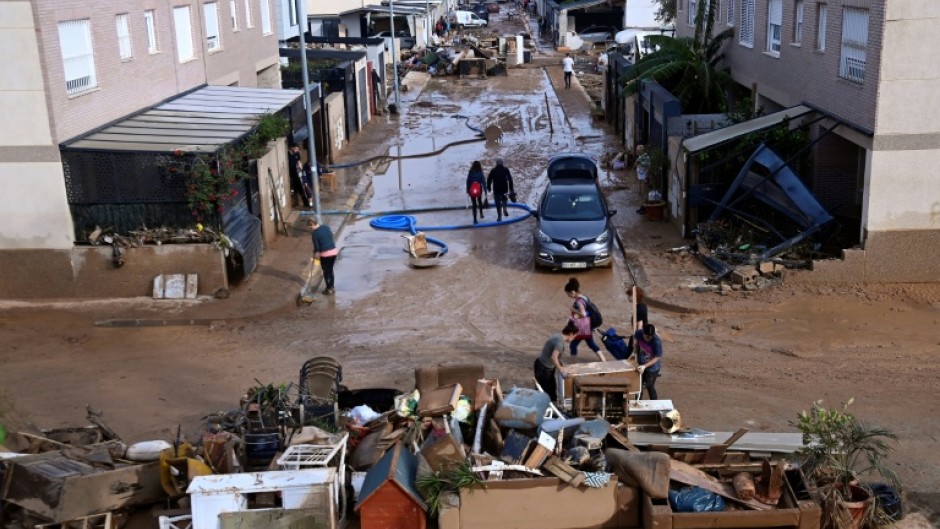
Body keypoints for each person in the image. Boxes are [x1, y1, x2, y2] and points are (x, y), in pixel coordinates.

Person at [535, 322, 578, 403]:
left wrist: (560, 364)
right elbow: (554, 357)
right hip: (543, 370)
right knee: (548, 395)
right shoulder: (559, 343)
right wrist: (560, 368)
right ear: (571, 334)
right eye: (575, 336)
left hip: (541, 365)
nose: (574, 339)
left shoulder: (557, 336)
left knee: (550, 392)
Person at [564, 277, 603, 359]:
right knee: (591, 344)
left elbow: (583, 314)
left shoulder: (579, 302)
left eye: (568, 294)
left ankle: (573, 364)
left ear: (572, 292)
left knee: (573, 345)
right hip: (588, 325)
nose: (568, 296)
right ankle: (603, 360)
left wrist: (573, 310)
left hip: (583, 326)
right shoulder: (584, 297)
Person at [308, 218, 338, 295]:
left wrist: (315, 251)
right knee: (330, 270)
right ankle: (332, 287)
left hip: (325, 254)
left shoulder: (314, 234)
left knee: (326, 271)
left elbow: (317, 247)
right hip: (334, 251)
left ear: (313, 225)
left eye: (310, 228)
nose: (311, 229)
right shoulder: (325, 227)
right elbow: (330, 235)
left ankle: (329, 289)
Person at [633, 323, 663, 400]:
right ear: (643, 333)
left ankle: (654, 403)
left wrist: (645, 366)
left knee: (650, 386)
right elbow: (636, 344)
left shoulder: (656, 341)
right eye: (646, 337)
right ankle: (638, 403)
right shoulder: (639, 333)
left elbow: (657, 357)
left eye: (650, 337)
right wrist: (634, 354)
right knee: (638, 385)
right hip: (641, 362)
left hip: (653, 367)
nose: (648, 339)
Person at [634, 144, 650, 209]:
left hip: (643, 176)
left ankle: (644, 203)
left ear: (641, 151)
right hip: (640, 175)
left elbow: (648, 166)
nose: (637, 152)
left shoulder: (646, 157)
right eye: (637, 151)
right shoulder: (640, 156)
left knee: (644, 191)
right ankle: (642, 203)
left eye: (638, 151)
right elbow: (635, 164)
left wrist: (647, 176)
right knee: (640, 191)